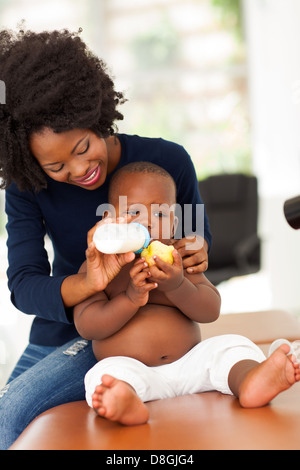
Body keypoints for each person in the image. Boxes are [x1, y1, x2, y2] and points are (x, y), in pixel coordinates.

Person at [0, 28, 211, 449]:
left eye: (82, 148)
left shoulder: (167, 161)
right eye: (56, 166)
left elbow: (199, 245)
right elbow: (24, 285)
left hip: (149, 326)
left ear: (96, 116)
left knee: (10, 414)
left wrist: (196, 251)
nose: (79, 171)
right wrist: (89, 284)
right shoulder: (27, 187)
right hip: (69, 329)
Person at [74, 162, 300, 426]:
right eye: (134, 211)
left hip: (191, 364)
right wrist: (131, 298)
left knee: (231, 346)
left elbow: (210, 310)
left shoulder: (180, 256)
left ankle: (250, 380)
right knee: (102, 376)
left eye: (160, 215)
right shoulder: (99, 266)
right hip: (134, 371)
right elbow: (88, 325)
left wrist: (177, 285)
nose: (147, 221)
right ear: (109, 221)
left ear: (174, 223)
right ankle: (126, 401)